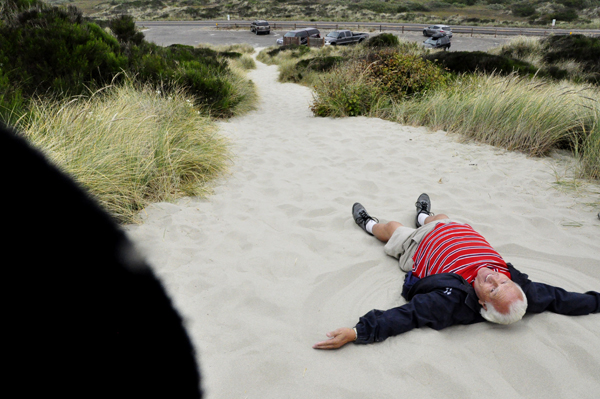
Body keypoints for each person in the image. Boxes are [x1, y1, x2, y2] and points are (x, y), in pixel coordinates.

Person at [313, 193, 600, 350]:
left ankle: (368, 223)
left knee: (391, 229)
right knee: (442, 217)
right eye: (503, 280)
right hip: (456, 230)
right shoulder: (520, 291)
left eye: (492, 288)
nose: (494, 277)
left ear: (483, 303)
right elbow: (562, 299)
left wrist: (356, 332)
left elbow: (408, 316)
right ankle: (425, 214)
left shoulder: (450, 302)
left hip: (419, 245)